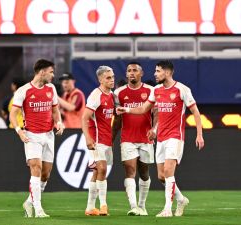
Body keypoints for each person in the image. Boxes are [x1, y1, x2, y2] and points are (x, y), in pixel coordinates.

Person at [117, 60, 204, 217]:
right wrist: (127, 109)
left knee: (169, 172)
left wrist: (199, 134)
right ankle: (181, 199)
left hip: (175, 137)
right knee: (161, 176)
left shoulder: (182, 89)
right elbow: (144, 108)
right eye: (155, 71)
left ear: (168, 72)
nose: (155, 74)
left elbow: (196, 112)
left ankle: (167, 209)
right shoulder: (156, 90)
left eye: (158, 71)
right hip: (161, 138)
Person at [10, 59, 64, 218]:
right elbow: (13, 113)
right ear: (42, 72)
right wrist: (19, 130)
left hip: (48, 135)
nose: (53, 75)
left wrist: (59, 122)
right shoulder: (23, 90)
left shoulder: (51, 89)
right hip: (31, 135)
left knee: (46, 174)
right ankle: (38, 209)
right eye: (51, 72)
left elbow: (55, 110)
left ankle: (29, 202)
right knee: (36, 168)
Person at [113, 62, 157, 216]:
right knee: (130, 170)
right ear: (126, 74)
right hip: (128, 138)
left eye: (135, 70)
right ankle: (133, 206)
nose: (132, 73)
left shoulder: (151, 91)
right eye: (129, 71)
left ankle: (142, 205)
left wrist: (154, 128)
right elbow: (117, 118)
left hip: (146, 138)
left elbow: (156, 113)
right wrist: (111, 138)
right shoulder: (118, 93)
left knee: (144, 172)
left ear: (141, 73)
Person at [82, 66, 115, 216]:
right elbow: (84, 117)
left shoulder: (111, 95)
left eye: (112, 77)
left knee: (97, 171)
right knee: (102, 169)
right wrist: (87, 137)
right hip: (96, 139)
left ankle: (90, 208)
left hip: (107, 139)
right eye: (108, 78)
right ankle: (103, 205)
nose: (112, 80)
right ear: (100, 79)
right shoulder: (96, 95)